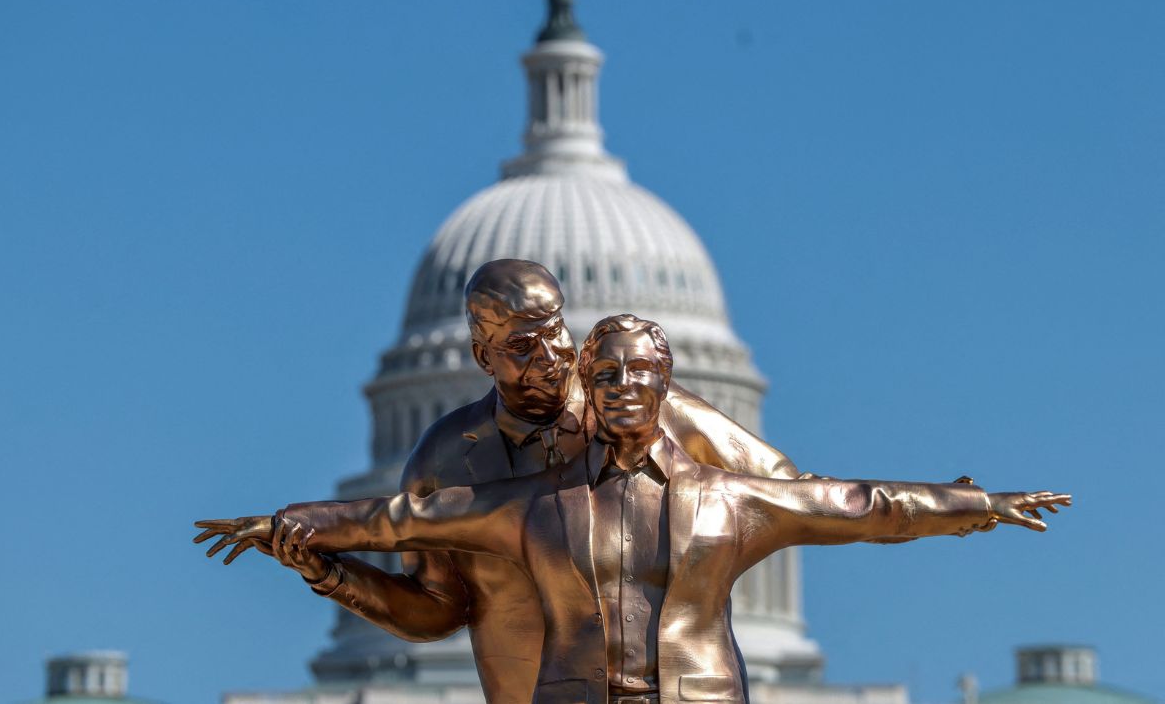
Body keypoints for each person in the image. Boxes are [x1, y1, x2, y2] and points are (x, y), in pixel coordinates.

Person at [197, 314, 1069, 704]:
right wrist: (296, 525)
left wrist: (977, 503)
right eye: (604, 377)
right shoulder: (533, 503)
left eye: (638, 377)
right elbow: (401, 517)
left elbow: (865, 505)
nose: (619, 391)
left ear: (669, 387)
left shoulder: (729, 500)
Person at [200, 260, 803, 704]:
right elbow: (437, 610)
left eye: (556, 331)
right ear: (482, 355)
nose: (549, 357)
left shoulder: (645, 412)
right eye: (521, 344)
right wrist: (327, 572)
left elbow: (783, 492)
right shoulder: (444, 460)